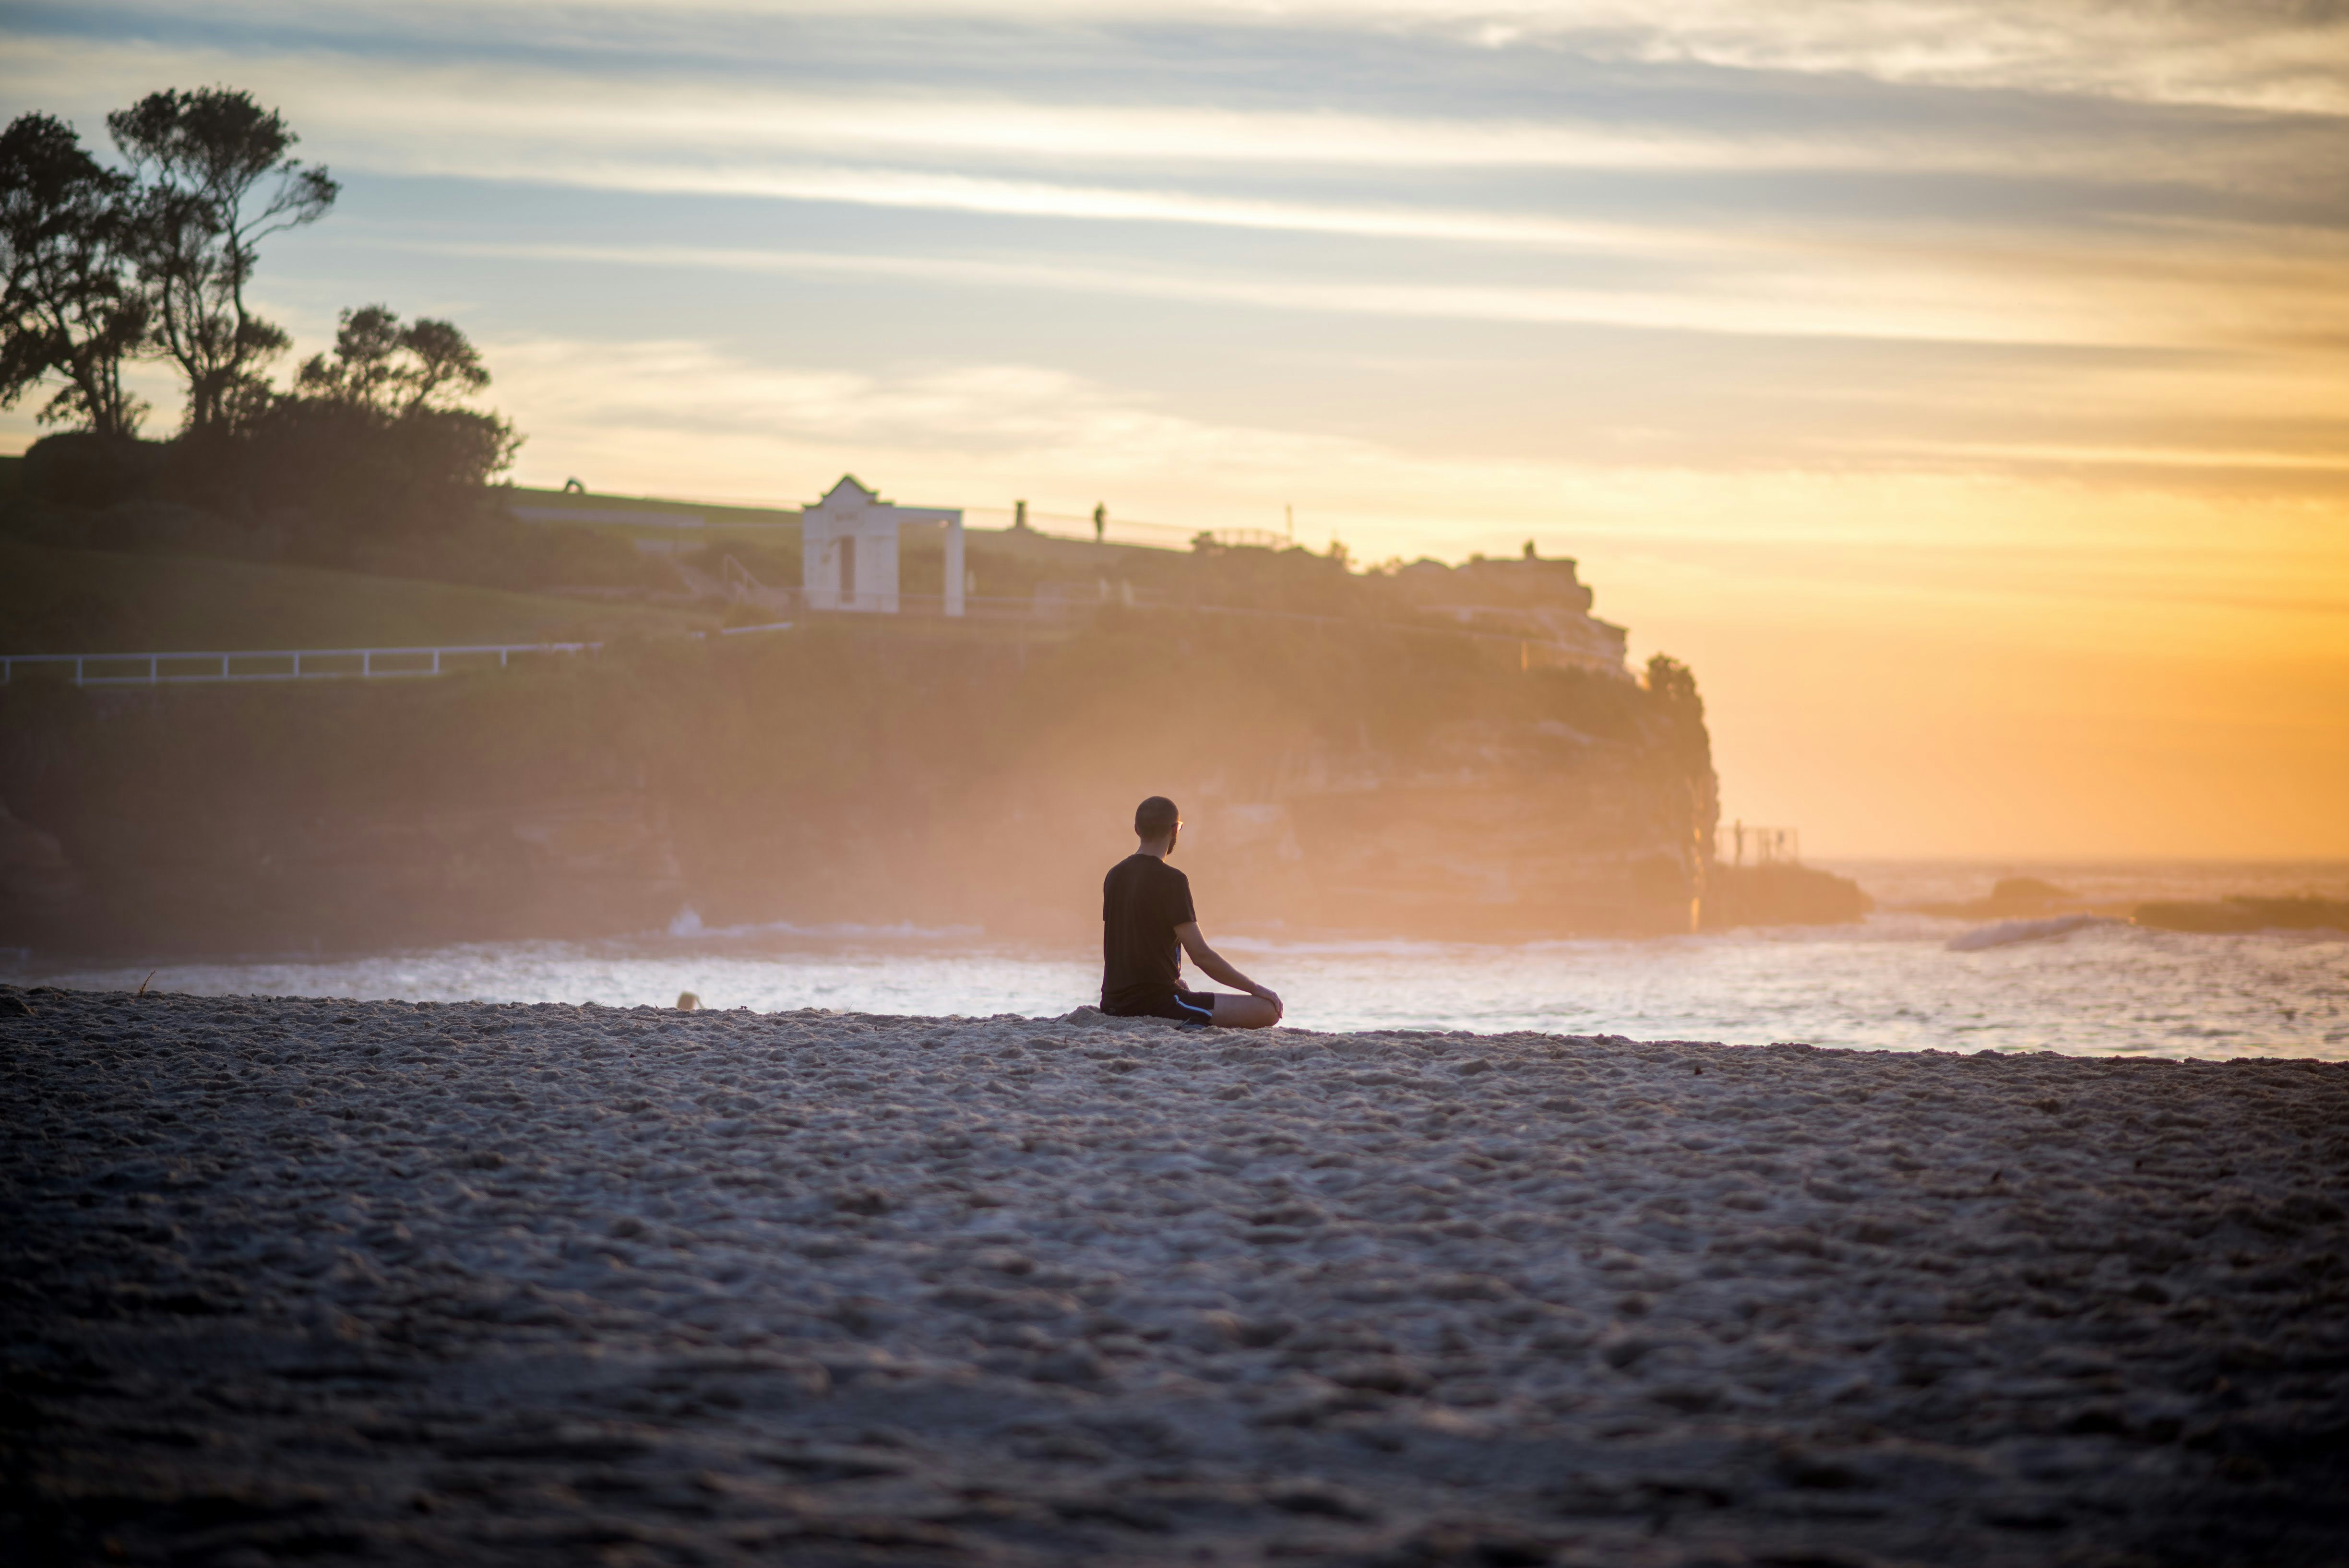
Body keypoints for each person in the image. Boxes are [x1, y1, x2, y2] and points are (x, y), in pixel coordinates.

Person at [1101, 796, 1283, 1028]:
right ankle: (1187, 1020)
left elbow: (1125, 944)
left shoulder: (1114, 875)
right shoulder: (1172, 880)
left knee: (1182, 985)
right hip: (1154, 1004)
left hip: (1112, 1004)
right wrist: (1256, 989)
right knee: (1268, 1010)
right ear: (1174, 830)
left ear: (1137, 829)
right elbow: (1201, 956)